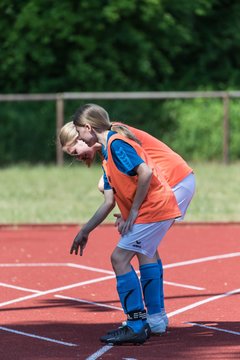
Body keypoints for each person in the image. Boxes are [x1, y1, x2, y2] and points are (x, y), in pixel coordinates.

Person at [62, 103, 193, 345]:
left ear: (87, 130)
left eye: (75, 147)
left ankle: (137, 323)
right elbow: (115, 195)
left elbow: (145, 173)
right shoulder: (108, 153)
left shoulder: (116, 142)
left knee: (122, 257)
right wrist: (86, 230)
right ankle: (155, 320)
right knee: (145, 251)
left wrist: (134, 212)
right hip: (163, 193)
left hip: (173, 183)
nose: (78, 157)